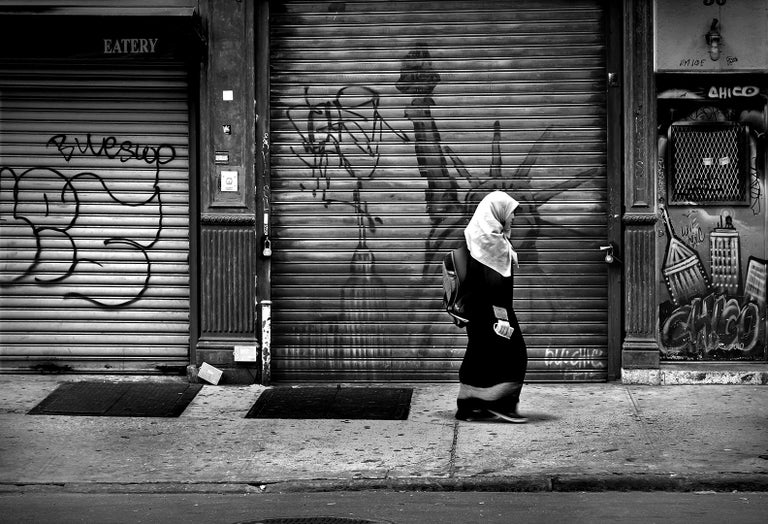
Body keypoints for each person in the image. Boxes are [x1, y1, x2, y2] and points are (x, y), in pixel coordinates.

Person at [456, 190, 528, 423]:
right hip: (494, 314)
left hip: (479, 314)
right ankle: (502, 404)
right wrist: (503, 320)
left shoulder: (479, 235)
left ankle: (469, 405)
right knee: (515, 355)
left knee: (479, 355)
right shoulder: (491, 243)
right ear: (497, 212)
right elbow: (494, 285)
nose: (514, 218)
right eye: (511, 213)